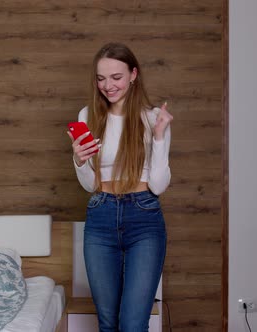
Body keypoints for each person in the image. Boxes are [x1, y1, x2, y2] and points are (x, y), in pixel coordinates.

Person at [67, 42, 173, 332]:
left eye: (116, 77)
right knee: (108, 323)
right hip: (101, 216)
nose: (108, 86)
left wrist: (160, 137)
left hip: (144, 217)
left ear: (133, 74)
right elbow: (91, 185)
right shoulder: (87, 115)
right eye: (101, 78)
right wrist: (79, 159)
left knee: (133, 324)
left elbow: (159, 185)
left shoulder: (153, 118)